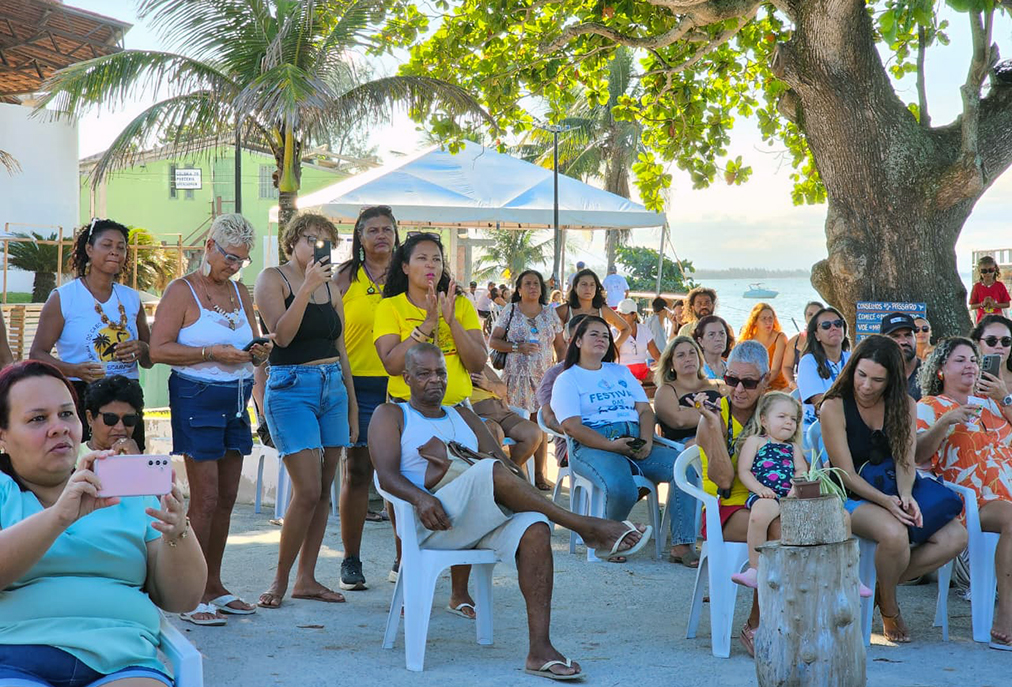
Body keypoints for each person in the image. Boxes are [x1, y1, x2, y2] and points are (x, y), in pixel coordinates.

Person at [370, 343, 653, 680]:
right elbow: (386, 475)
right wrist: (419, 498)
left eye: (441, 373)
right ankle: (586, 527)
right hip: (430, 522)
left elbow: (505, 465)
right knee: (489, 472)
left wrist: (516, 482)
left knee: (535, 526)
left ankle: (540, 649)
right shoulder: (391, 415)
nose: (435, 380)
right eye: (424, 374)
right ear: (406, 378)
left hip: (479, 518)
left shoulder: (463, 415)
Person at [0, 360, 206, 686]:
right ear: (2, 437)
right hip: (14, 657)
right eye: (38, 419)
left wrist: (177, 530)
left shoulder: (125, 488)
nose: (59, 427)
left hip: (123, 660)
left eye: (66, 414)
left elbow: (183, 600)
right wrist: (58, 517)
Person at [150, 213, 271, 625]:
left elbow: (252, 342)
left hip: (236, 398)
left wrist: (257, 353)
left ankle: (214, 584)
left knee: (226, 500)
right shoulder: (181, 291)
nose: (234, 266)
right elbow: (158, 349)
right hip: (196, 396)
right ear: (209, 247)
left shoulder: (240, 292)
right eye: (229, 257)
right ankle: (191, 591)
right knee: (203, 500)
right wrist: (210, 353)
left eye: (241, 260)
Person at [820, 335, 966, 643]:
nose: (867, 386)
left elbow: (905, 460)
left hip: (893, 484)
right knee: (894, 533)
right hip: (848, 494)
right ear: (851, 370)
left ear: (891, 380)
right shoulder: (833, 406)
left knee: (956, 536)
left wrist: (906, 495)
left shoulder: (904, 405)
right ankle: (889, 607)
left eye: (877, 379)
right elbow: (844, 473)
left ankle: (877, 587)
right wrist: (888, 502)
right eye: (861, 375)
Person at [255, 213, 358, 606]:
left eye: (325, 240)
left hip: (331, 387)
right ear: (292, 241)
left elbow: (341, 348)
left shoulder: (330, 287)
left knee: (325, 489)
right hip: (290, 388)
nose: (316, 246)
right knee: (307, 489)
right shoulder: (273, 278)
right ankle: (279, 580)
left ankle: (307, 578)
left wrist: (350, 407)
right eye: (309, 239)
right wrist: (307, 287)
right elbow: (281, 334)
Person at [551, 316, 695, 563]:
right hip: (593, 444)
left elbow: (645, 411)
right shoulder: (568, 379)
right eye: (594, 334)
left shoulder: (620, 372)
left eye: (606, 336)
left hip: (635, 439)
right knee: (622, 487)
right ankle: (608, 539)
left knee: (684, 469)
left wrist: (647, 441)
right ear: (577, 341)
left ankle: (682, 544)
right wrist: (610, 446)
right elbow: (572, 427)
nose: (602, 339)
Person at [915, 336, 1012, 649]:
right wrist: (945, 423)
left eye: (973, 359)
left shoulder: (993, 405)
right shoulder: (929, 406)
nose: (970, 365)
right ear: (941, 370)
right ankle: (1006, 615)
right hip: (972, 500)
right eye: (960, 360)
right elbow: (917, 456)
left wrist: (1005, 397)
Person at [31, 219, 152, 437]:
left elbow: (149, 359)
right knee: (85, 464)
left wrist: (142, 348)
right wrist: (73, 370)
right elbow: (37, 354)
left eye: (121, 247)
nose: (115, 252)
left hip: (127, 397)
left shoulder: (132, 298)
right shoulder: (65, 297)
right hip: (82, 395)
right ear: (89, 249)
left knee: (130, 463)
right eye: (106, 245)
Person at [334, 205, 401, 590]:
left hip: (400, 384)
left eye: (387, 229)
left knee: (400, 473)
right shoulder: (345, 277)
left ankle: (403, 557)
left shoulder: (407, 273)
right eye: (372, 230)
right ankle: (350, 560)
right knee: (357, 471)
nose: (380, 235)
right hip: (356, 383)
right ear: (359, 238)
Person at [693, 340, 773, 656]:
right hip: (723, 509)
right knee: (777, 535)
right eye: (731, 379)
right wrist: (713, 427)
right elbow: (724, 480)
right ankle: (756, 626)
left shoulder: (773, 412)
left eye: (749, 382)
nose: (738, 389)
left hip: (765, 504)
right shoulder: (714, 415)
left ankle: (771, 621)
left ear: (765, 380)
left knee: (790, 529)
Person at [374, 232, 486, 407]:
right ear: (405, 267)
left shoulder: (460, 304)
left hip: (457, 406)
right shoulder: (390, 306)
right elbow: (392, 366)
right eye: (422, 258)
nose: (430, 265)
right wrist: (427, 325)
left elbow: (477, 364)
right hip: (407, 408)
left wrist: (453, 323)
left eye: (436, 259)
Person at [488, 270, 565, 489]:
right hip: (515, 377)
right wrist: (517, 347)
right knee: (517, 423)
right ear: (519, 289)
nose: (533, 287)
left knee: (539, 424)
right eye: (528, 283)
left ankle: (539, 475)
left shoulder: (550, 314)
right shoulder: (510, 311)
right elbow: (494, 341)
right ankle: (517, 473)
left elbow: (560, 346)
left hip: (543, 378)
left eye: (536, 284)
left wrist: (561, 372)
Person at [729, 391, 808, 589]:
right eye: (782, 417)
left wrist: (795, 487)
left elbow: (801, 469)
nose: (789, 422)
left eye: (793, 419)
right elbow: (744, 471)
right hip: (766, 495)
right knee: (759, 515)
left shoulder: (792, 448)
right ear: (764, 420)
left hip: (789, 497)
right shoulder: (756, 442)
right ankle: (755, 569)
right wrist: (760, 488)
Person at [468, 364, 545, 478]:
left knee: (533, 433)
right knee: (495, 432)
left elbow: (503, 390)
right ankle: (498, 478)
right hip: (476, 412)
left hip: (501, 409)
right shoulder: (450, 366)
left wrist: (488, 384)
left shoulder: (477, 363)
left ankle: (511, 472)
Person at [653, 336, 721, 448]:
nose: (688, 359)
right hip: (686, 446)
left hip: (721, 436)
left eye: (692, 353)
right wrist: (714, 411)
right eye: (681, 355)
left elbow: (734, 414)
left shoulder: (717, 384)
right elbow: (679, 421)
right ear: (670, 363)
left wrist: (692, 411)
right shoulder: (666, 391)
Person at [797, 306, 851, 428]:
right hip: (818, 427)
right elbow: (820, 403)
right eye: (826, 325)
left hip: (850, 422)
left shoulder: (853, 358)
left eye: (838, 324)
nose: (834, 328)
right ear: (817, 335)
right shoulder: (808, 362)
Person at [556, 268, 630, 347]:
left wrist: (611, 351)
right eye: (584, 284)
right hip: (570, 358)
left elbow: (626, 329)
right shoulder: (564, 310)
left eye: (592, 285)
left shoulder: (603, 310)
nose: (588, 289)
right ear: (575, 287)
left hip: (597, 359)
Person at [82, 375, 145, 456]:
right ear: (90, 418)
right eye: (110, 419)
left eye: (128, 419)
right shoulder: (71, 457)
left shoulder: (135, 456)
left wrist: (137, 460)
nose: (120, 428)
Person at [739, 302, 789, 391]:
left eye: (770, 318)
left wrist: (758, 386)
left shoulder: (780, 338)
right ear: (755, 322)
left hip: (776, 386)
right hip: (753, 385)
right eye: (764, 319)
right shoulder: (748, 341)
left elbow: (775, 371)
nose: (768, 322)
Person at [880, 312, 923, 400]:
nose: (903, 342)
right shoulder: (876, 373)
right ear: (883, 340)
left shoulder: (929, 374)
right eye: (895, 336)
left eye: (908, 335)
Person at [614, 299, 659, 381]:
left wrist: (664, 364)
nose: (621, 317)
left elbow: (656, 354)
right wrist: (621, 333)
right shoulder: (614, 331)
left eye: (624, 314)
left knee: (663, 375)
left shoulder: (644, 329)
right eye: (619, 314)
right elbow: (614, 356)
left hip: (643, 372)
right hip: (622, 372)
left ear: (634, 315)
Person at [782, 301, 823, 389]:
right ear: (805, 317)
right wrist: (792, 383)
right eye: (810, 314)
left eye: (817, 314)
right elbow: (786, 366)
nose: (813, 318)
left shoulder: (830, 339)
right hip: (801, 386)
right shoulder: (795, 341)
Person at [971, 314, 1012, 393]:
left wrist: (1004, 398)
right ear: (977, 343)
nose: (999, 346)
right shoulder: (967, 381)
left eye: (1006, 341)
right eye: (991, 340)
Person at [693, 314, 734, 381]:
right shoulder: (696, 370)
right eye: (711, 334)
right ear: (700, 341)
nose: (718, 338)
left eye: (722, 333)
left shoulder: (732, 369)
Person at [969, 255, 1010, 322]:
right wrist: (982, 304)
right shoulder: (977, 287)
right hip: (982, 322)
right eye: (984, 271)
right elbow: (972, 306)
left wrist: (995, 305)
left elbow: (1007, 304)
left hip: (998, 321)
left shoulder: (1000, 286)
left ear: (995, 270)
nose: (988, 273)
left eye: (991, 270)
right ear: (980, 272)